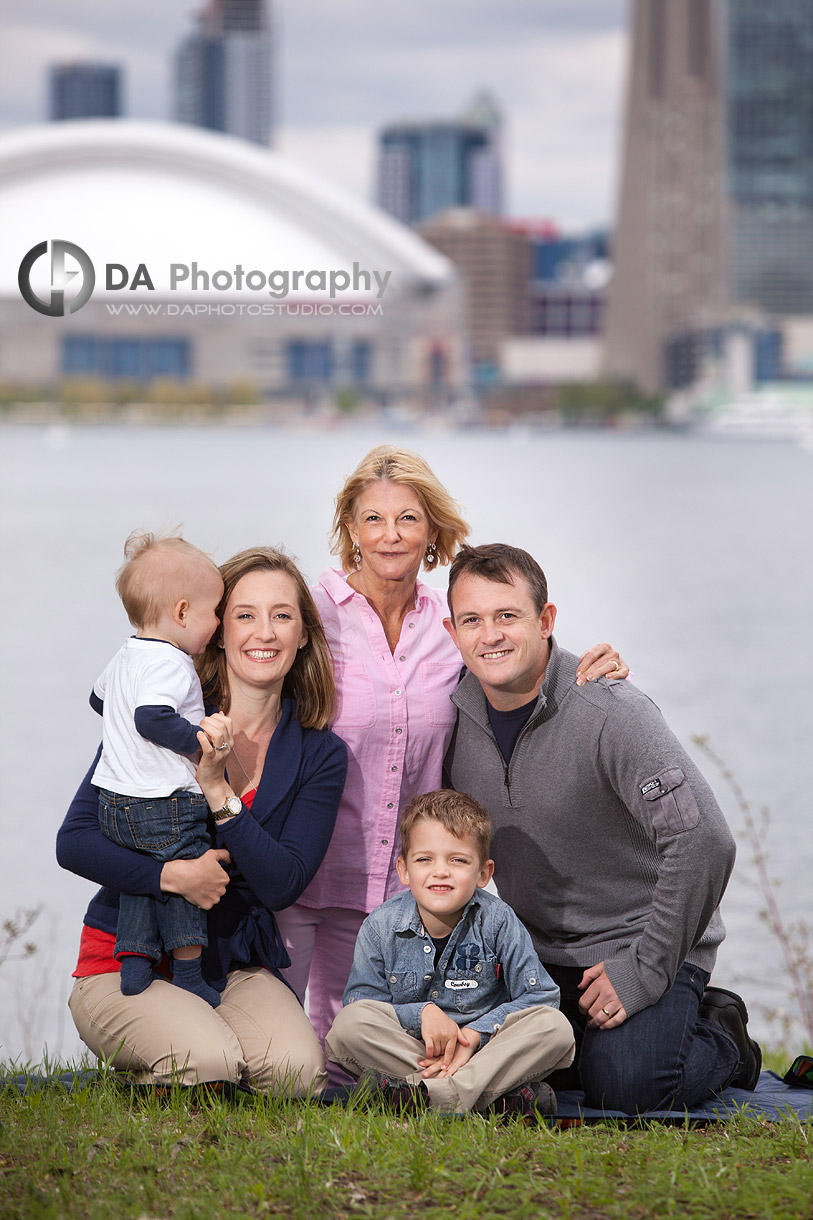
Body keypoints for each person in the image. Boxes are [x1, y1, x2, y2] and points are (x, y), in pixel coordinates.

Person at [273, 444, 629, 1059]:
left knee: (363, 1062)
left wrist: (591, 666)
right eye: (374, 519)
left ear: (432, 529)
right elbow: (241, 659)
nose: (390, 535)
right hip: (305, 872)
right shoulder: (311, 613)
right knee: (288, 1061)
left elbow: (515, 654)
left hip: (403, 891)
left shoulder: (451, 621)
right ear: (350, 528)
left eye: (408, 518)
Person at [442, 543, 761, 1114]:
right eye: (473, 620)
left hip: (642, 940)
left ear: (546, 621)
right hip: (536, 954)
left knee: (625, 1086)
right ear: (452, 630)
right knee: (487, 1062)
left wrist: (642, 971)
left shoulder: (611, 712)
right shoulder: (454, 716)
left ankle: (725, 1039)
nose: (490, 634)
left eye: (507, 616)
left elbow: (704, 842)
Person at [57, 547, 348, 1095]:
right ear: (215, 628)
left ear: (304, 634)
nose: (264, 632)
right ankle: (186, 1061)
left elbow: (283, 883)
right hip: (122, 956)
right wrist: (173, 877)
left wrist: (217, 791)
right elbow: (74, 842)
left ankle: (202, 1056)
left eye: (282, 615)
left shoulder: (319, 754)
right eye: (245, 614)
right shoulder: (162, 721)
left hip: (229, 963)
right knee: (206, 1060)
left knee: (295, 1074)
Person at [325, 789, 575, 1117]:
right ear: (403, 870)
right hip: (414, 1051)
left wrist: (476, 1034)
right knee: (349, 1025)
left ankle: (427, 1098)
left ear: (484, 873)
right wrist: (422, 1013)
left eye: (457, 860)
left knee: (554, 1027)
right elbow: (363, 1004)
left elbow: (540, 997)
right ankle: (488, 1101)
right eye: (425, 859)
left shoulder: (499, 920)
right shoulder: (381, 925)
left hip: (483, 1054)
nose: (440, 871)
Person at [91, 531, 224, 1006]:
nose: (218, 624)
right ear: (183, 612)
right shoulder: (173, 662)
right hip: (163, 799)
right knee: (185, 870)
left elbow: (98, 700)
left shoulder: (127, 653)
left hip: (113, 799)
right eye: (215, 612)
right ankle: (188, 971)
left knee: (141, 876)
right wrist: (199, 744)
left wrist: (124, 741)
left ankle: (133, 963)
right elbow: (151, 718)